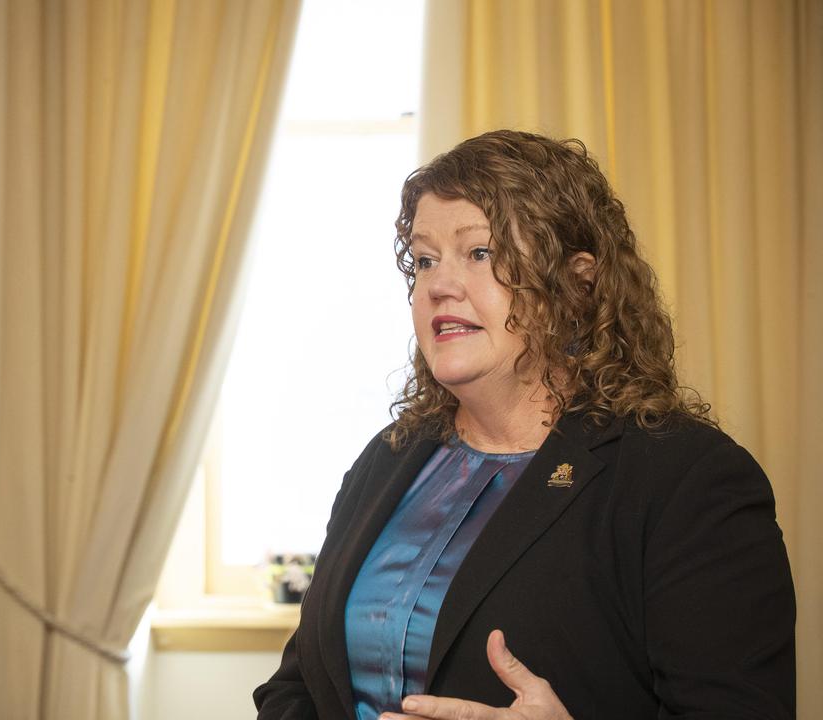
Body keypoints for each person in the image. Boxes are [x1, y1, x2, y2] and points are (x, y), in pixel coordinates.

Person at [253, 130, 795, 719]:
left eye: (479, 253)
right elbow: (297, 688)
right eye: (426, 259)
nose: (438, 284)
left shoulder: (688, 481)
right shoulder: (387, 459)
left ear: (578, 283)